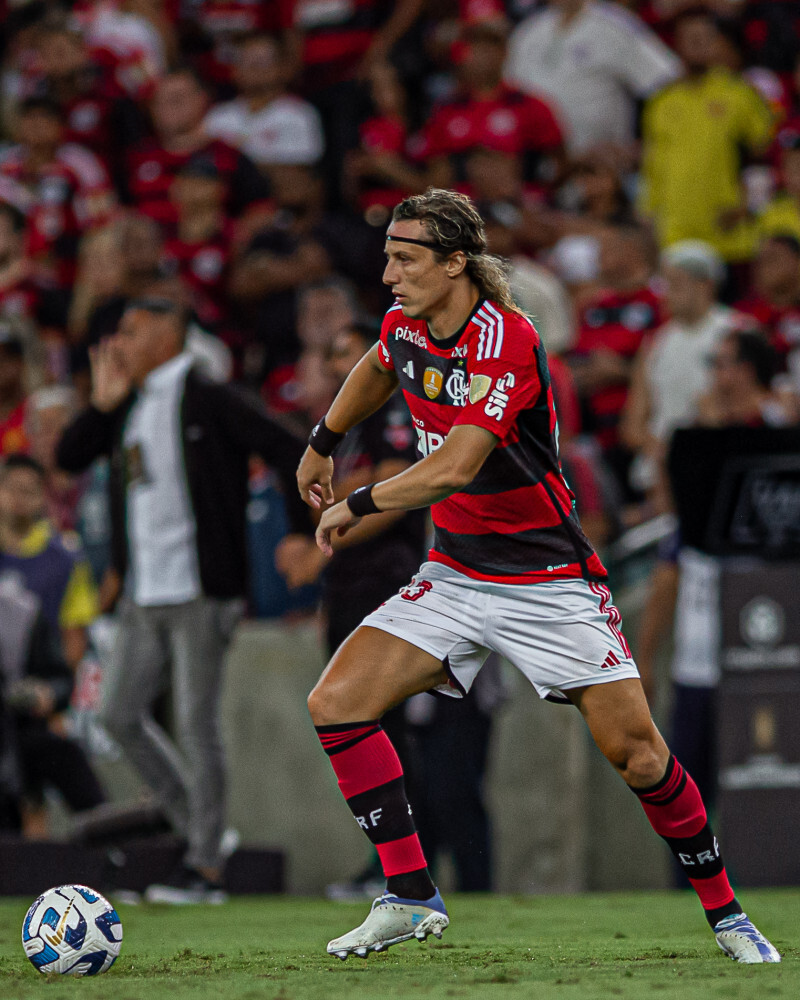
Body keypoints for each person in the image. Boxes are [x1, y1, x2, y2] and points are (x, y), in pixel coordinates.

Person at [295, 189, 780, 963]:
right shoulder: (404, 324)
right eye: (388, 256)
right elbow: (379, 365)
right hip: (454, 574)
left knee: (641, 757)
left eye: (405, 258)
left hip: (548, 579)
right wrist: (325, 437)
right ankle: (410, 894)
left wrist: (357, 500)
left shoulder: (507, 339)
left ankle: (729, 917)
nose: (388, 274)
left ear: (457, 261)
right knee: (337, 705)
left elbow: (454, 466)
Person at [55, 297, 310, 903]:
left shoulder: (207, 395)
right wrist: (101, 405)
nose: (118, 344)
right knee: (117, 714)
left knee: (197, 724)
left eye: (132, 331)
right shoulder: (128, 405)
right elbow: (67, 459)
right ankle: (202, 826)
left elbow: (287, 445)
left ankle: (205, 868)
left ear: (171, 332)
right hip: (145, 591)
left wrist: (299, 529)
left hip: (202, 588)